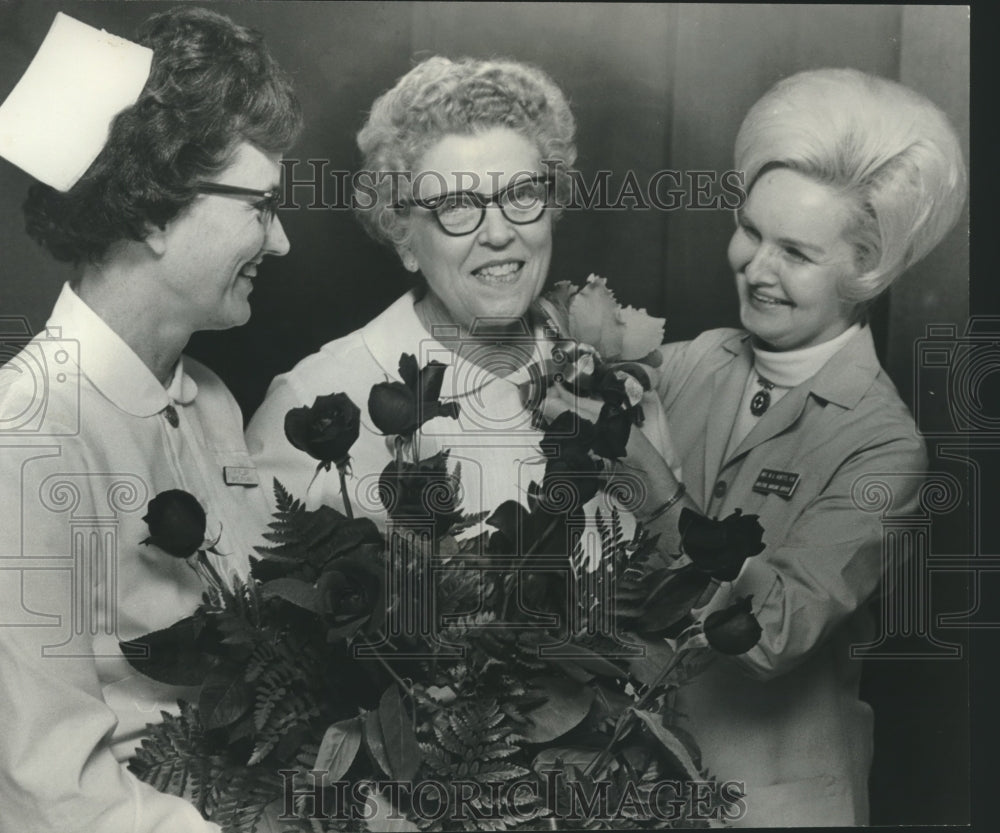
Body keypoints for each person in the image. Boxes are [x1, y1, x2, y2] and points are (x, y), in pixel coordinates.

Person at [547, 68, 964, 826]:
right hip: (631, 793)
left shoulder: (884, 448)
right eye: (750, 230)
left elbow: (768, 634)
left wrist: (653, 489)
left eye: (795, 253)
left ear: (865, 270)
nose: (755, 267)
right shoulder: (699, 358)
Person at [0, 8, 301, 832]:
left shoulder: (208, 398)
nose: (280, 242)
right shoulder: (24, 439)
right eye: (260, 206)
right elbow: (52, 794)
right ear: (153, 212)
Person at [247, 56, 577, 522]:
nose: (499, 234)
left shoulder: (607, 374)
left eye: (522, 194)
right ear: (404, 237)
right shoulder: (314, 401)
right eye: (456, 205)